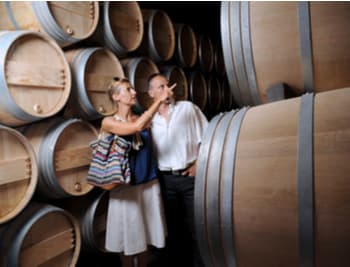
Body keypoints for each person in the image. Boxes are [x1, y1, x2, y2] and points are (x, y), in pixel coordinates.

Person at [100, 77, 174, 267]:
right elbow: (135, 128)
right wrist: (158, 100)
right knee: (128, 242)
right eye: (128, 89)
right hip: (126, 190)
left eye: (133, 88)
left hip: (148, 185)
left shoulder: (142, 118)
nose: (134, 92)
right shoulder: (109, 123)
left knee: (146, 241)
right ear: (116, 97)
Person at [147, 73, 208, 267]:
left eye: (167, 85)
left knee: (196, 226)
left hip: (189, 177)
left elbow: (207, 137)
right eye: (160, 86)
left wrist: (199, 163)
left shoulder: (188, 109)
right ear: (151, 93)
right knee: (173, 228)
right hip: (165, 180)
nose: (167, 89)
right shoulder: (149, 121)